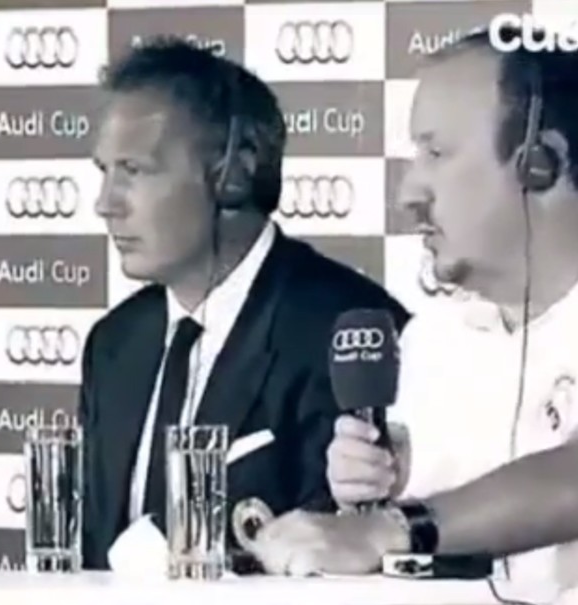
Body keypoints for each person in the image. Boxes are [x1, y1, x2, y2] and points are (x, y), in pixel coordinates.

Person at [248, 26, 578, 593]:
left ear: (539, 164)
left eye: (437, 153)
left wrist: (391, 529)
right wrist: (381, 489)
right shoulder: (432, 342)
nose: (407, 194)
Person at [78, 37, 409, 570]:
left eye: (134, 171)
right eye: (104, 172)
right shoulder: (114, 343)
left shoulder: (345, 333)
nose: (105, 204)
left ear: (233, 172)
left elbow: (337, 560)